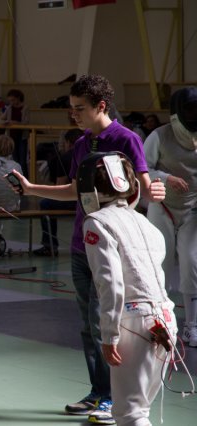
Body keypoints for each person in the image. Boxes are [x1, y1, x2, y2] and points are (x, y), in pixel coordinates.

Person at [9, 74, 166, 425]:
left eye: (80, 108)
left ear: (101, 106)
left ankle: (114, 396)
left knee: (105, 321)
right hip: (83, 245)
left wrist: (156, 191)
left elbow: (142, 188)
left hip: (113, 242)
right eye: (72, 108)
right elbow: (74, 190)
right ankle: (99, 391)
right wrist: (32, 188)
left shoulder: (126, 140)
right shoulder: (82, 143)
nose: (74, 114)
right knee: (87, 324)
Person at [79, 152, 177, 426]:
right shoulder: (146, 223)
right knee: (139, 412)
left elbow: (110, 282)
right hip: (166, 321)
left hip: (136, 324)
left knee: (130, 415)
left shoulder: (98, 222)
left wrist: (109, 335)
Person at [143, 87, 197, 348]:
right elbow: (142, 170)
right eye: (190, 110)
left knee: (192, 262)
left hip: (193, 209)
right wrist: (166, 178)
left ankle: (192, 326)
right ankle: (161, 321)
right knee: (160, 264)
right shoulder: (159, 136)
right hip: (162, 206)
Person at [32, 129, 82, 257]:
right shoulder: (88, 155)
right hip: (90, 198)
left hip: (73, 200)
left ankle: (49, 246)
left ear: (68, 142)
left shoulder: (65, 158)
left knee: (45, 204)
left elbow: (60, 187)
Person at [0, 89, 30, 175]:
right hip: (12, 137)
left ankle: (25, 178)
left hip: (22, 136)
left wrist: (14, 122)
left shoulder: (25, 108)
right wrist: (5, 122)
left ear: (18, 98)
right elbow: (1, 119)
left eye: (13, 100)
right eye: (10, 101)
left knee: (22, 161)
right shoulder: (9, 108)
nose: (11, 102)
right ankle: (17, 178)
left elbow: (26, 122)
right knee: (15, 160)